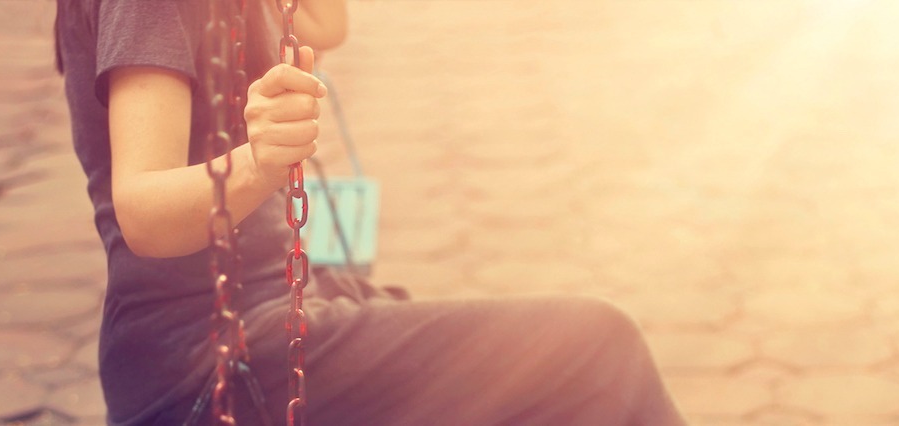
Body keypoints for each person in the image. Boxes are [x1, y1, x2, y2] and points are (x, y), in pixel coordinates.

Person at [54, 0, 688, 424]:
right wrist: (259, 163)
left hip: (285, 305)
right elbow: (143, 213)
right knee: (599, 349)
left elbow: (328, 23)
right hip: (208, 356)